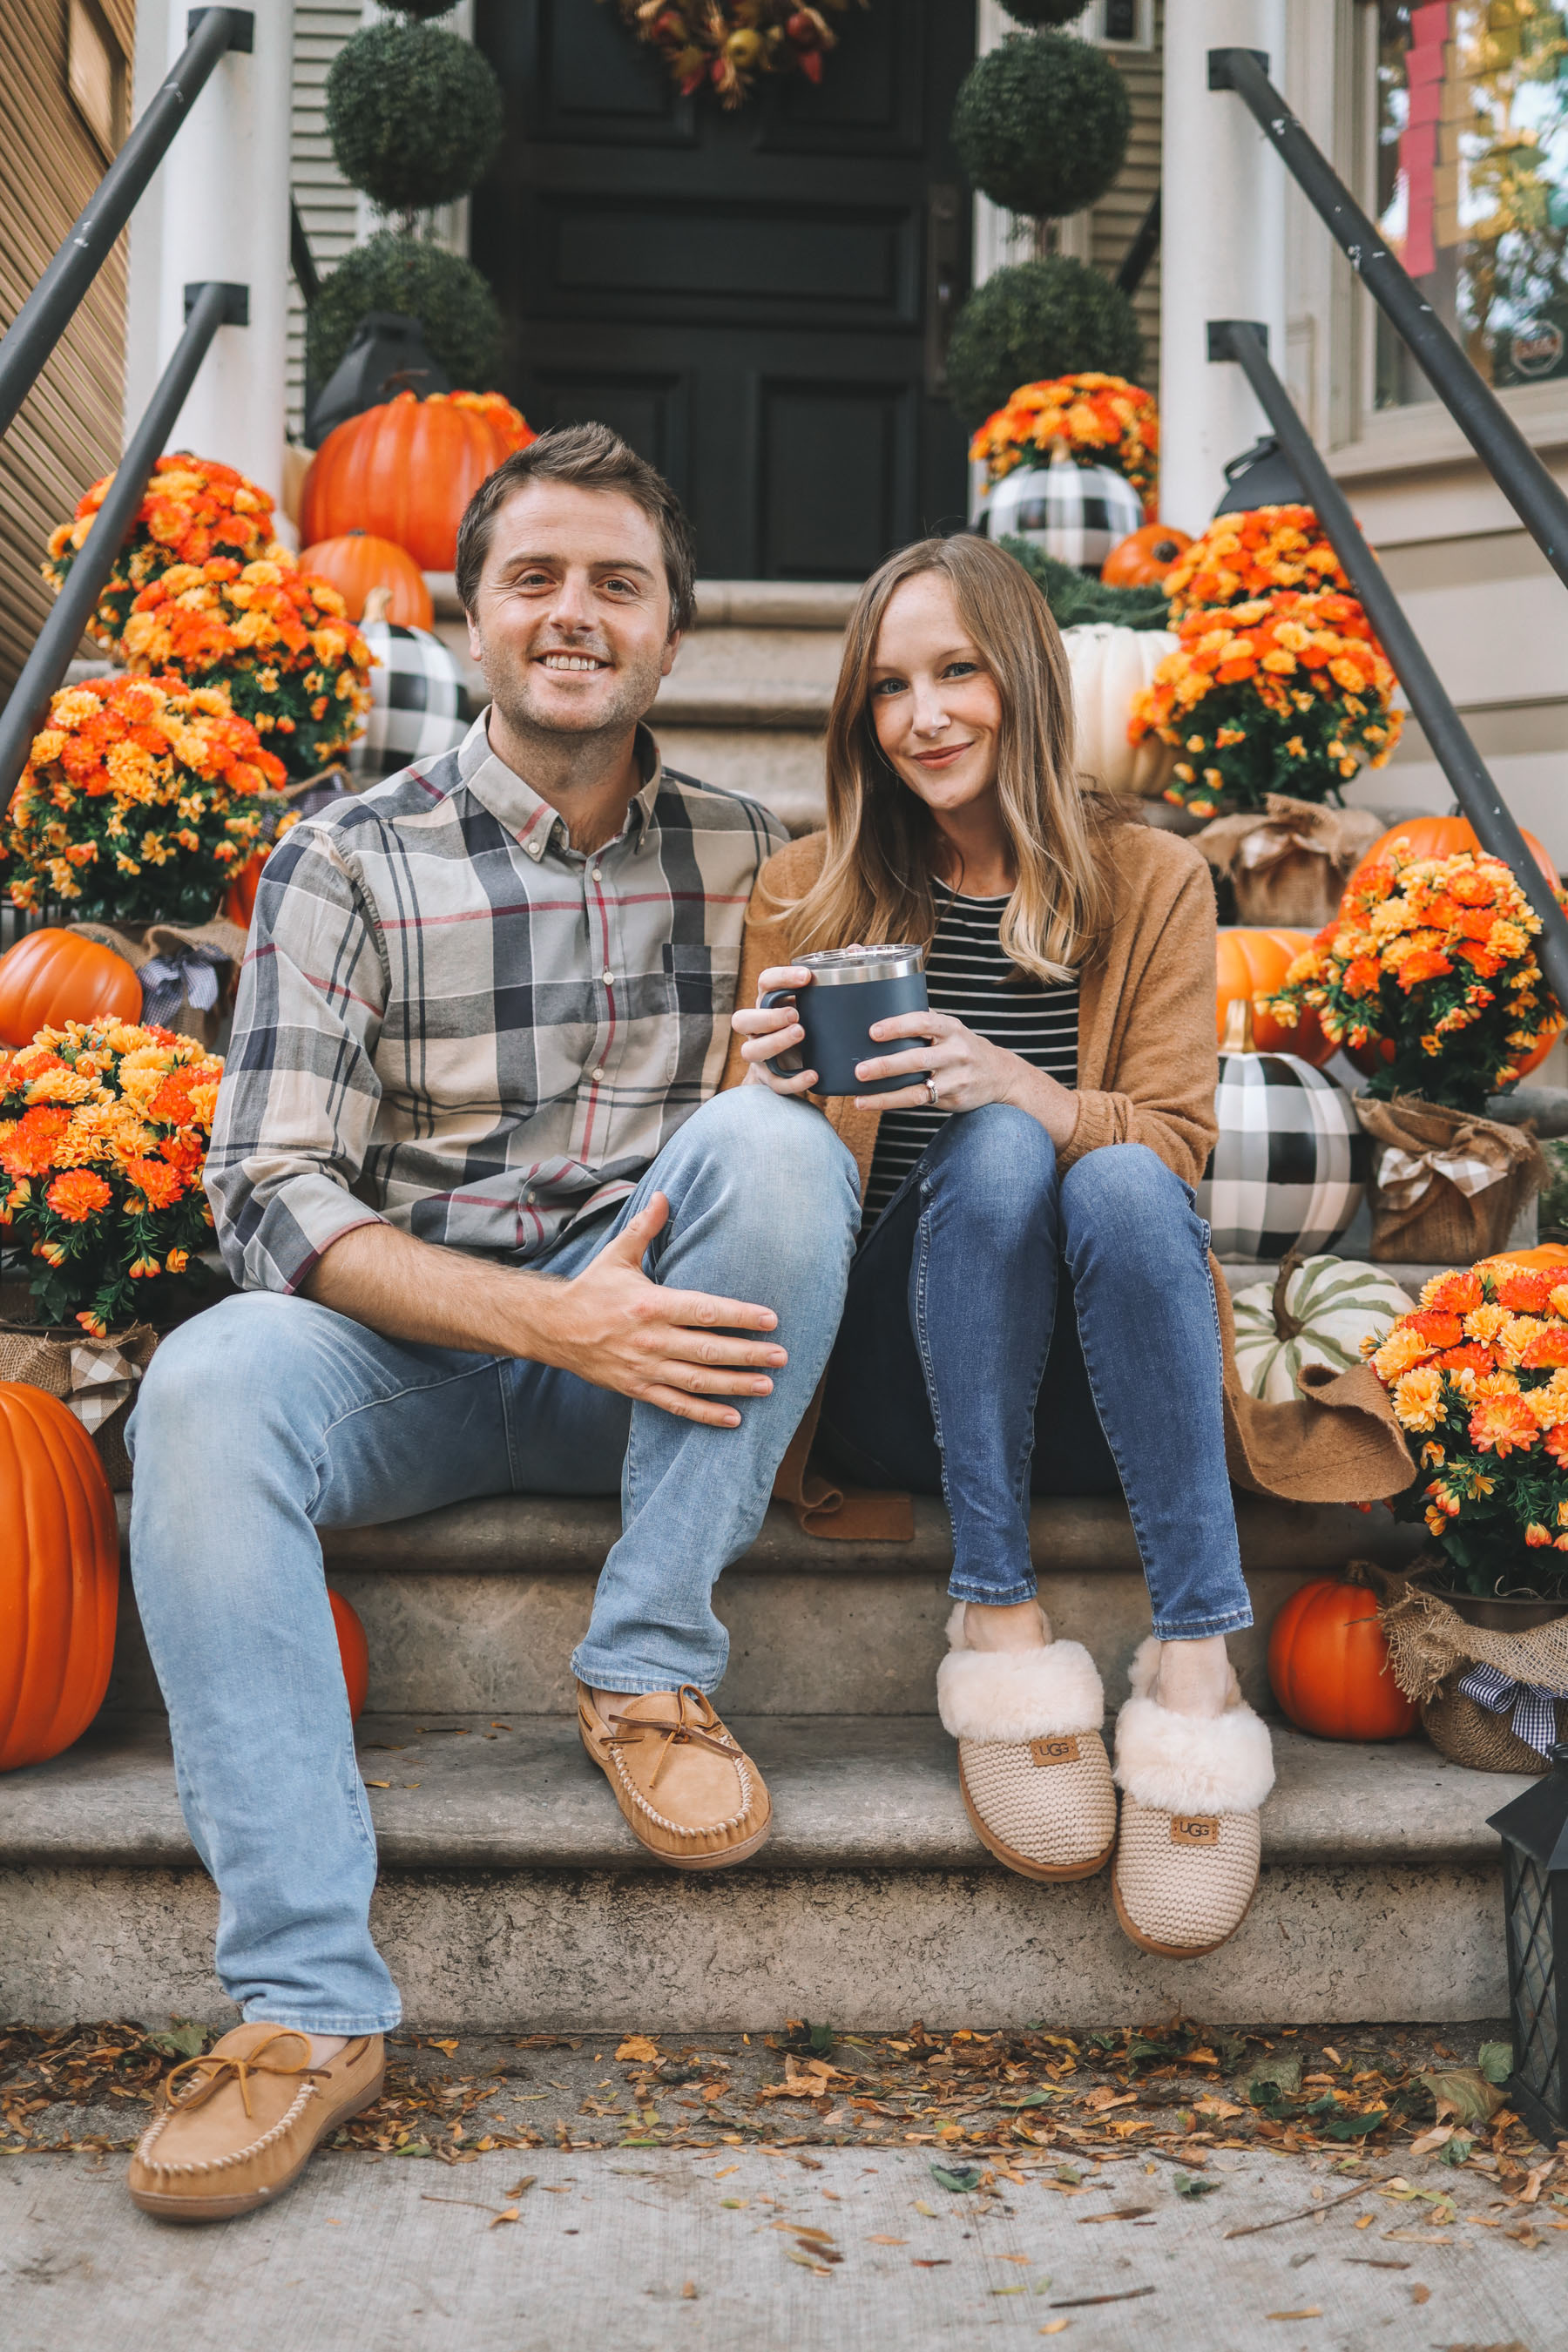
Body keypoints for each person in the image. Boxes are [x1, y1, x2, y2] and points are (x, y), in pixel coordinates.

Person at [123, 424, 861, 2223]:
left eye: (619, 581)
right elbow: (271, 1190)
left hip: (660, 1373)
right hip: (415, 1363)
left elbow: (830, 1165)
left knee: (773, 1146)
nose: (576, 614)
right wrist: (550, 1321)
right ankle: (306, 2005)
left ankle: (647, 1661)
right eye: (536, 577)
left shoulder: (767, 859)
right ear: (470, 618)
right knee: (205, 1384)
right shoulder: (344, 857)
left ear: (672, 631)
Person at [728, 532, 1275, 1963]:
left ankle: (1200, 1670)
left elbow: (1172, 1145)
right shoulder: (805, 891)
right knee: (995, 1149)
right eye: (891, 688)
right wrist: (764, 1106)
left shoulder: (1150, 879)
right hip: (907, 1385)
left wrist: (1026, 1088)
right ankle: (996, 1617)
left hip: (1109, 1385)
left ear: (1022, 678)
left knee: (1109, 1180)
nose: (925, 717)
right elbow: (759, 1201)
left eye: (957, 671)